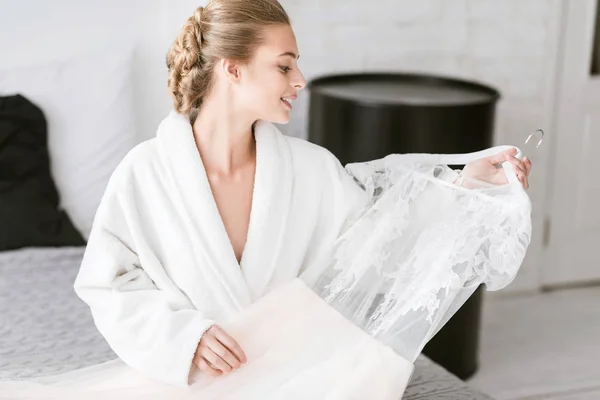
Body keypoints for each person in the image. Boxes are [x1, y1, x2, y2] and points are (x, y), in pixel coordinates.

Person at [1, 0, 532, 397]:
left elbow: (385, 237)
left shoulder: (310, 170)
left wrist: (470, 186)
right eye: (283, 65)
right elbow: (107, 282)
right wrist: (184, 339)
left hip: (300, 369)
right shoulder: (147, 172)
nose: (300, 79)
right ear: (232, 68)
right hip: (194, 377)